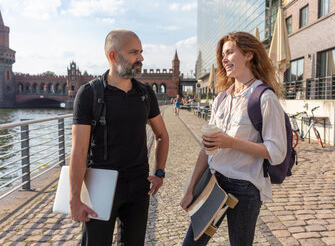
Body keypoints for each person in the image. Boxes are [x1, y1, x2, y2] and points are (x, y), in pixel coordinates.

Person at [180, 31, 287, 245]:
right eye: (222, 55)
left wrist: (231, 143)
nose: (224, 59)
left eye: (229, 52)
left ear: (248, 54)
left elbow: (276, 152)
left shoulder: (265, 98)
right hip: (214, 182)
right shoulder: (221, 98)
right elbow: (206, 148)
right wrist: (190, 189)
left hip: (245, 188)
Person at [69, 29, 169, 246]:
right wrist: (75, 198)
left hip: (138, 185)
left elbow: (162, 135)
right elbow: (79, 150)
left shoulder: (145, 93)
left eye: (141, 52)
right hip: (100, 185)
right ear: (113, 56)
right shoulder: (89, 94)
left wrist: (159, 171)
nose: (141, 58)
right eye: (134, 52)